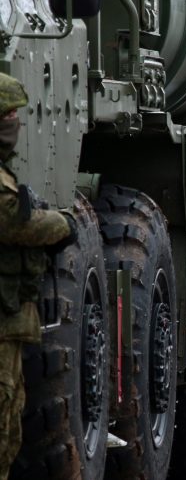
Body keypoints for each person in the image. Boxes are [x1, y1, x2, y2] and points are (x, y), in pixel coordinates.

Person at [0, 72, 77, 480]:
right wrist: (62, 224)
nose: (15, 123)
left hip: (10, 321)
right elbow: (16, 222)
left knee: (10, 420)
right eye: (8, 115)